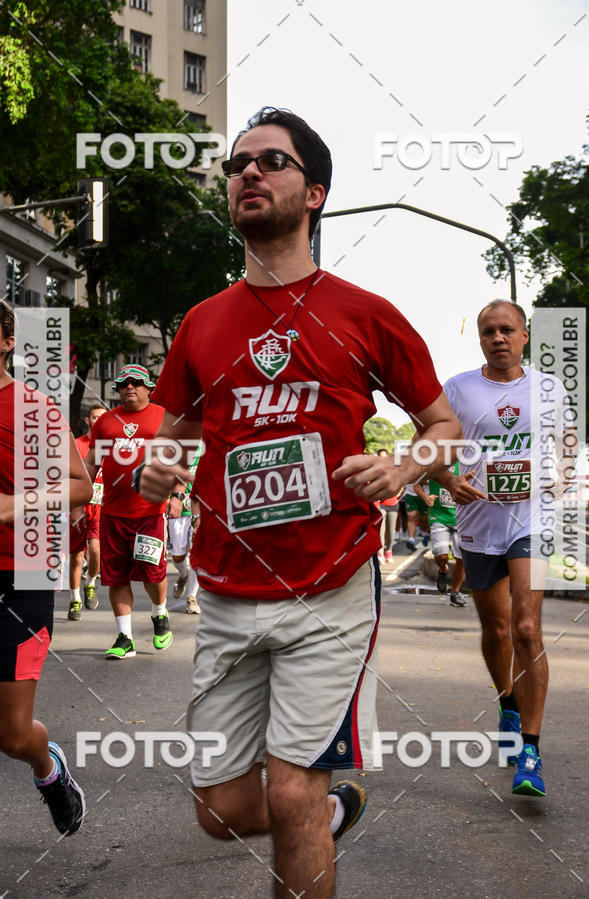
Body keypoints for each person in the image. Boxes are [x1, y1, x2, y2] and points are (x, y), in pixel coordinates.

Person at [135, 107, 461, 898]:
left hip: (331, 585)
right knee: (217, 809)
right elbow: (178, 429)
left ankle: (310, 803)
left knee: (289, 791)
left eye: (271, 161)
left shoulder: (364, 312)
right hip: (225, 590)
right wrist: (159, 465)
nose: (248, 172)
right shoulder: (202, 324)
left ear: (313, 192)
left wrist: (405, 467)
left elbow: (442, 425)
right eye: (238, 164)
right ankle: (329, 805)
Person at [441, 299, 568, 797]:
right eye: (489, 331)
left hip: (531, 521)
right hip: (477, 522)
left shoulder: (550, 389)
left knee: (526, 627)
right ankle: (507, 703)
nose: (499, 338)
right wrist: (449, 480)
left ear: (525, 336)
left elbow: (565, 451)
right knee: (495, 629)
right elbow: (428, 447)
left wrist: (551, 479)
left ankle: (531, 753)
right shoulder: (457, 388)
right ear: (480, 339)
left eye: (507, 330)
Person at [0, 300, 90, 834]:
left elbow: (81, 486)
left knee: (11, 734)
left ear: (7, 341)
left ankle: (49, 770)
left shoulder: (32, 410)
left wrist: (15, 504)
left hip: (21, 575)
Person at [84, 364, 172, 659]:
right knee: (117, 576)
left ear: (149, 387)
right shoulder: (106, 422)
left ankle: (159, 614)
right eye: (123, 384)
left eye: (136, 382)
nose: (129, 387)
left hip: (150, 511)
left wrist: (179, 495)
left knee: (152, 573)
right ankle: (125, 638)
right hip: (113, 512)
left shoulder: (163, 418)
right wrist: (78, 495)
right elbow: (91, 464)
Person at [68, 403, 106, 620]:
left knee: (95, 551)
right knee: (76, 556)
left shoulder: (111, 447)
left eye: (102, 417)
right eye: (94, 417)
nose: (98, 420)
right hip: (79, 509)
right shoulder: (78, 445)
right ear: (87, 420)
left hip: (100, 508)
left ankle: (90, 582)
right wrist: (74, 506)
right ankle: (75, 601)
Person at [414, 466, 466, 606]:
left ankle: (455, 591)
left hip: (462, 519)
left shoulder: (467, 464)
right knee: (441, 556)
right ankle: (443, 569)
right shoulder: (438, 464)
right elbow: (417, 483)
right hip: (439, 518)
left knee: (461, 558)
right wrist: (425, 497)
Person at [167, 444, 201, 614]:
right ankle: (183, 575)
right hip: (179, 507)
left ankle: (192, 598)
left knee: (197, 552)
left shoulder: (209, 442)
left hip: (200, 504)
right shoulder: (178, 443)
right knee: (178, 556)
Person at [375, 449, 400, 564]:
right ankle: (380, 553)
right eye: (381, 456)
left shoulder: (394, 469)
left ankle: (388, 551)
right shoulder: (375, 470)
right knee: (381, 530)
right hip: (380, 506)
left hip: (393, 504)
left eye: (385, 456)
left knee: (391, 531)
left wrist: (398, 493)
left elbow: (402, 481)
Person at [403, 483, 430, 551]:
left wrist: (423, 480)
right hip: (410, 493)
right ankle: (411, 539)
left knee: (424, 518)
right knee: (411, 516)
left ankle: (425, 534)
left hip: (424, 494)